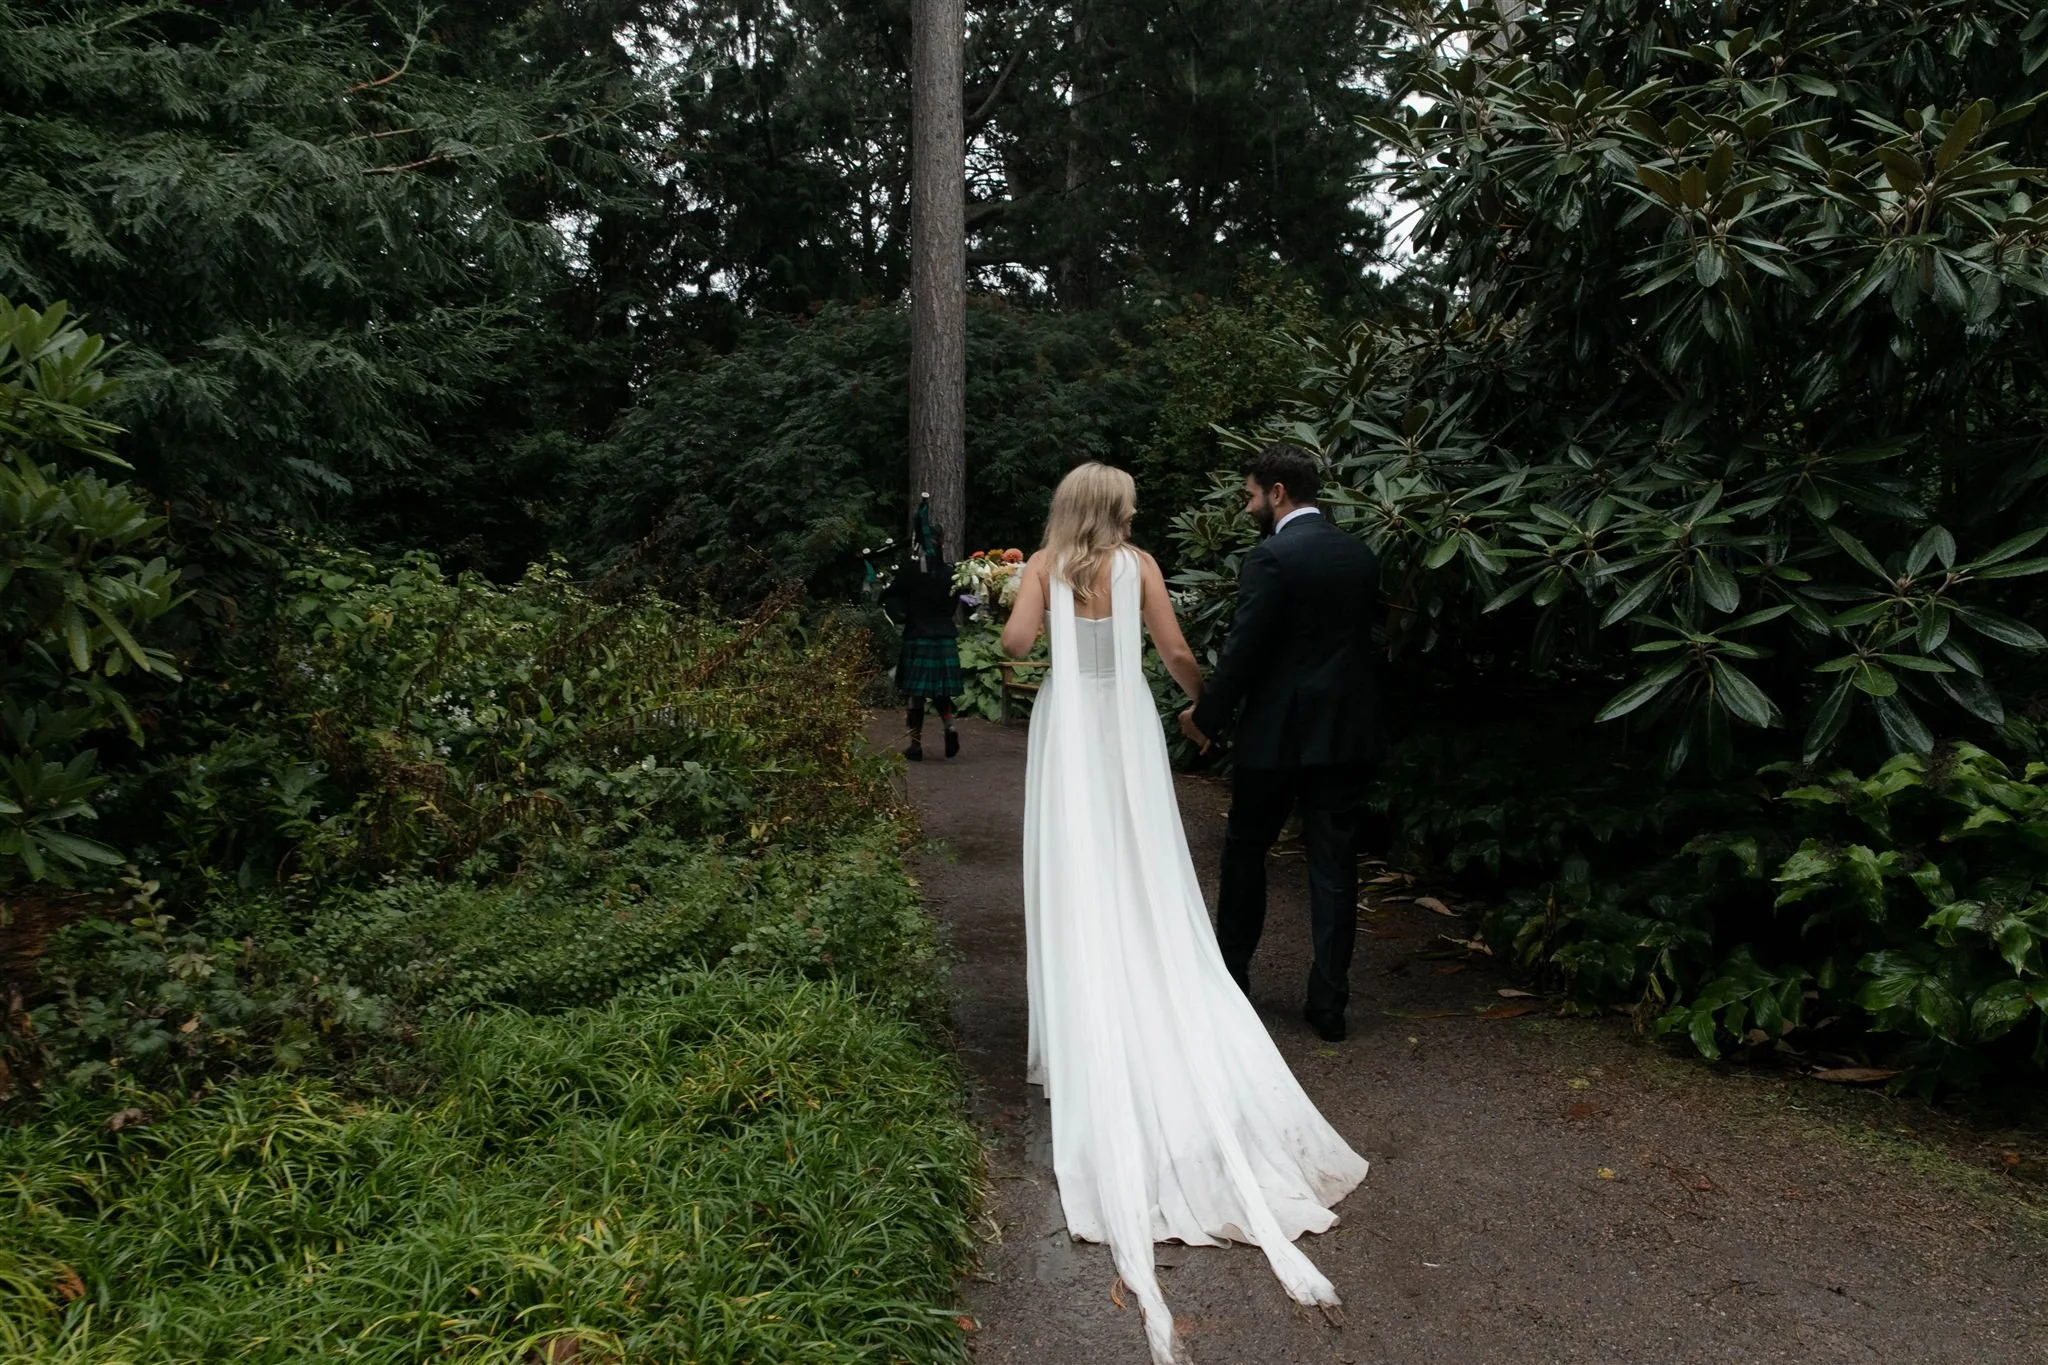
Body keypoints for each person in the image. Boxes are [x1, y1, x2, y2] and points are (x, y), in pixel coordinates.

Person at [1002, 461, 1367, 1365]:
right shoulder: (1142, 566)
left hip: (1069, 727)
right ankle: (1154, 975)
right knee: (1140, 862)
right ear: (1117, 509)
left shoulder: (1047, 564)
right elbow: (1171, 653)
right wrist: (1201, 705)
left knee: (1076, 864)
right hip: (1123, 722)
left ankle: (1082, 1014)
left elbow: (1013, 650)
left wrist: (1014, 601)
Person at [1181, 443, 1384, 1043]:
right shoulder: (1360, 555)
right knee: (1334, 864)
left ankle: (1232, 978)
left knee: (1246, 850)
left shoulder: (1271, 558)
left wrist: (1207, 718)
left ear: (1277, 492)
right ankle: (1329, 1002)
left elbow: (1245, 650)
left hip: (1277, 735)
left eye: (1249, 495)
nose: (1247, 508)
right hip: (1346, 733)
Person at [880, 500, 963, 761]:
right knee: (941, 690)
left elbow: (889, 597)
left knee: (915, 692)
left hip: (918, 634)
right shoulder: (952, 573)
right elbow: (952, 604)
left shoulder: (911, 571)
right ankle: (949, 725)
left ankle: (915, 745)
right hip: (943, 634)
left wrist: (901, 613)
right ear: (942, 543)